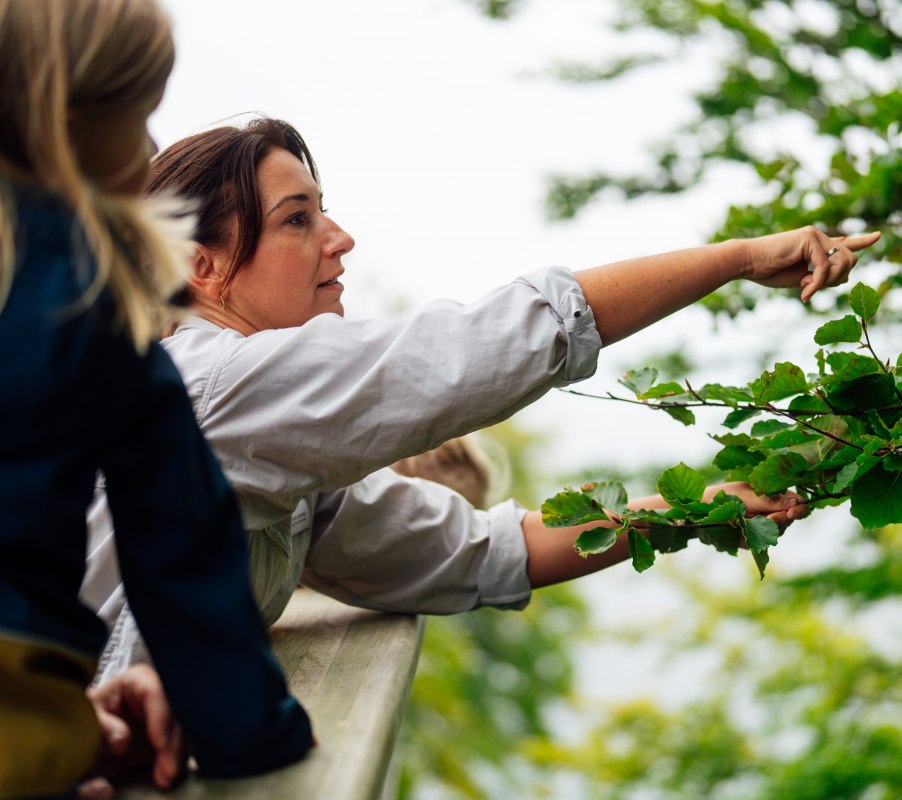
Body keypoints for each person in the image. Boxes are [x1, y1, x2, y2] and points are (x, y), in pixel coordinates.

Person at [81, 116, 877, 770]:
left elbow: (478, 552)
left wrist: (696, 511)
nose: (340, 238)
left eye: (325, 211)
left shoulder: (272, 454)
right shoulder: (211, 384)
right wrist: (736, 259)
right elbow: (475, 351)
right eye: (299, 219)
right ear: (203, 265)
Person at [0, 10, 313, 800]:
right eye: (139, 114)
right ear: (73, 119)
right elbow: (184, 553)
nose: (148, 149)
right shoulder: (84, 298)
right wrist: (251, 729)